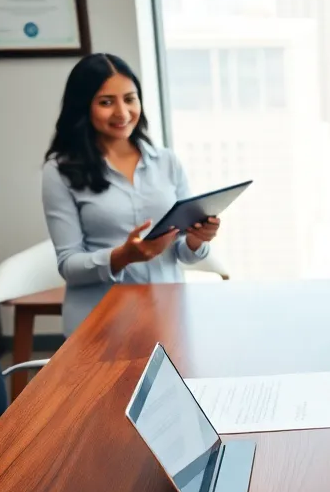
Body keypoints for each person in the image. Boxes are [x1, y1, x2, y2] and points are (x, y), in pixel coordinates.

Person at [42, 53, 220, 335]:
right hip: (101, 323)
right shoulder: (59, 172)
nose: (122, 113)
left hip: (168, 314)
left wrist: (196, 241)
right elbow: (69, 266)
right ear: (82, 107)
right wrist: (122, 256)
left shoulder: (166, 161)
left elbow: (183, 251)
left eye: (129, 98)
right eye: (106, 102)